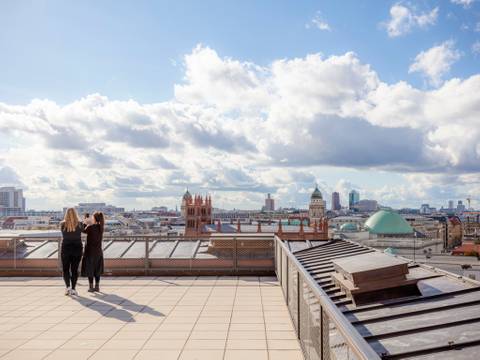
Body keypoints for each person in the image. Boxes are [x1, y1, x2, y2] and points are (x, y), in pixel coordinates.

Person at [60, 208, 83, 296]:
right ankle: (73, 288)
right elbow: (83, 230)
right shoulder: (80, 224)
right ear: (75, 213)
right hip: (77, 248)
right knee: (74, 269)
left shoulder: (62, 224)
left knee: (65, 269)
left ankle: (68, 287)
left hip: (65, 248)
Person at [81, 211, 105, 292]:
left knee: (90, 269)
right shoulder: (101, 227)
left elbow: (83, 230)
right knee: (97, 269)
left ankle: (91, 287)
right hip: (98, 251)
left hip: (90, 251)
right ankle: (97, 286)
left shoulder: (91, 227)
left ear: (94, 218)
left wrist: (85, 221)